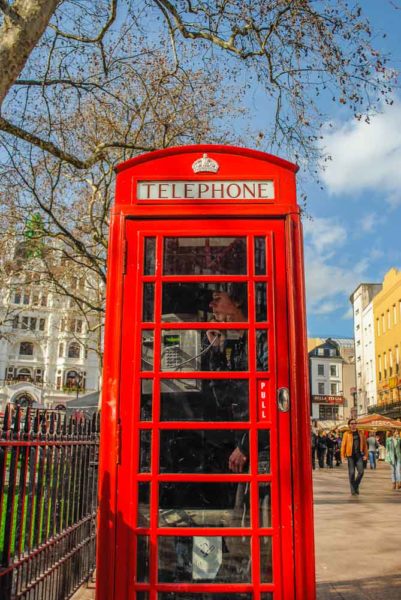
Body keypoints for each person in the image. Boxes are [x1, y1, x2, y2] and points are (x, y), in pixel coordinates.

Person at [341, 418, 368, 495]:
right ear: (349, 425)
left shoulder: (360, 433)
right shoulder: (346, 434)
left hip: (359, 455)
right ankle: (353, 490)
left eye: (355, 423)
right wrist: (342, 456)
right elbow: (343, 446)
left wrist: (366, 455)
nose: (354, 425)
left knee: (361, 472)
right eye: (352, 423)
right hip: (350, 456)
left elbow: (365, 445)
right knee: (352, 473)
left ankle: (355, 485)